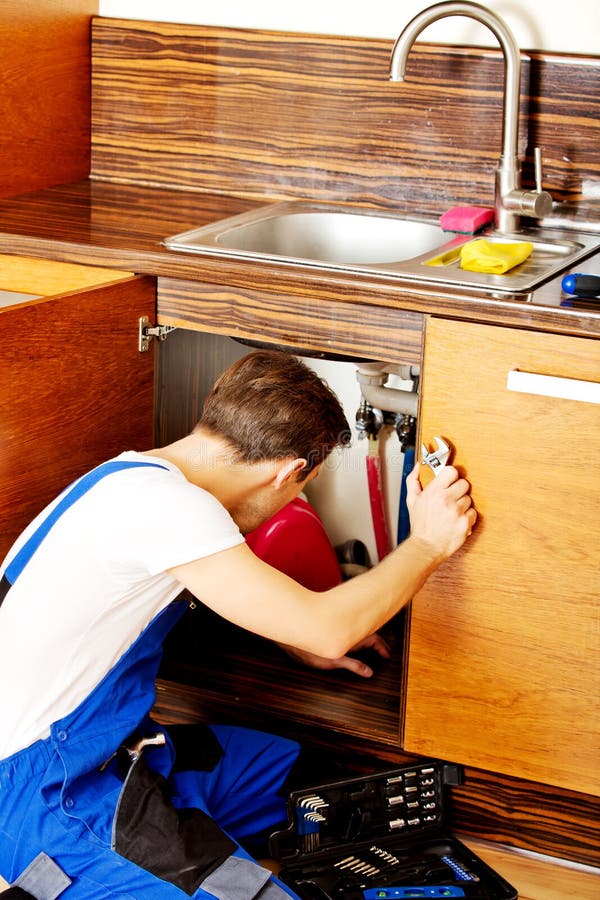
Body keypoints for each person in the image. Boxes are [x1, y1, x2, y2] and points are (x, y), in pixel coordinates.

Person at [0, 350, 476, 899]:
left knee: (303, 777)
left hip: (112, 755)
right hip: (51, 794)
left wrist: (289, 634)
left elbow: (195, 587)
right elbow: (329, 629)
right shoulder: (172, 508)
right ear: (289, 472)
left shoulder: (130, 478)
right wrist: (429, 543)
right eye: (302, 488)